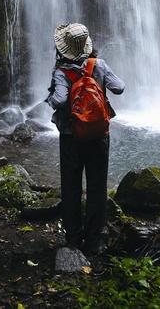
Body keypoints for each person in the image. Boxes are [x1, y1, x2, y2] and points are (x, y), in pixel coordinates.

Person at [46, 22, 124, 255]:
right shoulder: (97, 64)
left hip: (71, 136)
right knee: (97, 186)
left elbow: (59, 100)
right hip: (99, 135)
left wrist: (49, 99)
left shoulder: (61, 72)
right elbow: (119, 87)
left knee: (70, 186)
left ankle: (72, 238)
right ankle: (95, 240)